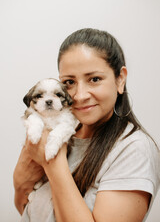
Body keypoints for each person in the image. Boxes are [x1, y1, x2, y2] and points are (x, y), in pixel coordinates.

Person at [13, 28, 160, 222]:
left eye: (94, 79)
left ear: (120, 79)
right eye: (69, 82)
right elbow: (26, 207)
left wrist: (52, 163)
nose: (80, 95)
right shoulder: (62, 131)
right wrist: (20, 183)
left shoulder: (134, 150)